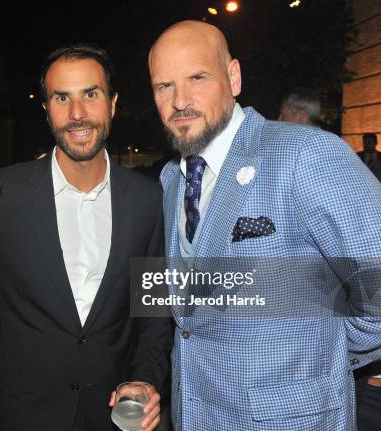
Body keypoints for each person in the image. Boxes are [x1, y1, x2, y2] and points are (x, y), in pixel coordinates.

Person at [148, 20, 381, 430]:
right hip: (197, 415)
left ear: (233, 77)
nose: (179, 100)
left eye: (197, 77)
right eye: (163, 86)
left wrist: (325, 351)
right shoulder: (172, 179)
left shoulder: (304, 155)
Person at [0, 44, 172, 431]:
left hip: (115, 416)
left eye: (90, 94)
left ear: (112, 104)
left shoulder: (147, 200)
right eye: (63, 98)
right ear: (47, 110)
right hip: (26, 415)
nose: (78, 114)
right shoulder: (1, 194)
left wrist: (145, 377)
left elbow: (155, 311)